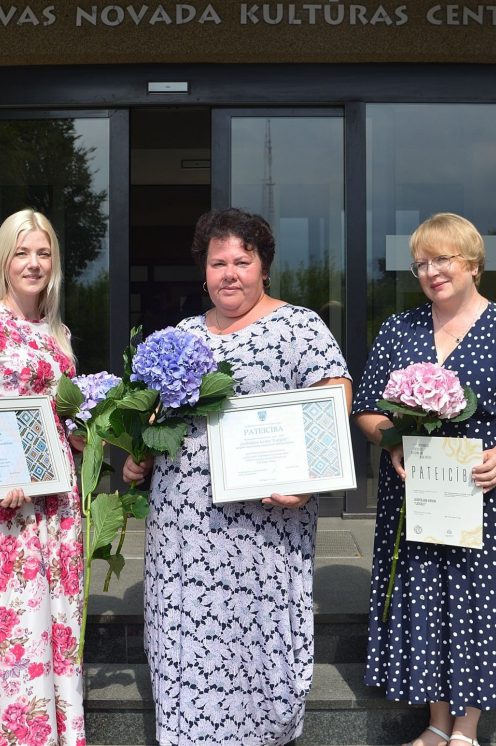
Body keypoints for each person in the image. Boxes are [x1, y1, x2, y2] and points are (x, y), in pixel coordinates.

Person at [123, 208, 352, 746]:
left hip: (261, 528)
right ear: (203, 272)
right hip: (183, 531)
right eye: (217, 263)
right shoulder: (183, 334)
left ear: (263, 268)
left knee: (257, 641)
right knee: (186, 639)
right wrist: (141, 455)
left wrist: (310, 478)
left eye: (241, 262)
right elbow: (156, 418)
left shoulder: (299, 327)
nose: (229, 274)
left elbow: (335, 397)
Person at [354, 213, 496, 746]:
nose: (431, 272)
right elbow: (366, 409)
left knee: (477, 603)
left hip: (485, 493)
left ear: (472, 264)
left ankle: (466, 728)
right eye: (421, 264)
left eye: (442, 259)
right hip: (416, 492)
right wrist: (392, 440)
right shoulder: (399, 330)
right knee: (427, 599)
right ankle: (436, 721)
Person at [0, 209, 86, 746]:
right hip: (8, 509)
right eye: (22, 253)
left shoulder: (58, 332)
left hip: (59, 502)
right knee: (20, 629)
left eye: (43, 253)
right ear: (3, 263)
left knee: (58, 623)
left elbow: (62, 419)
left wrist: (88, 434)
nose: (33, 263)